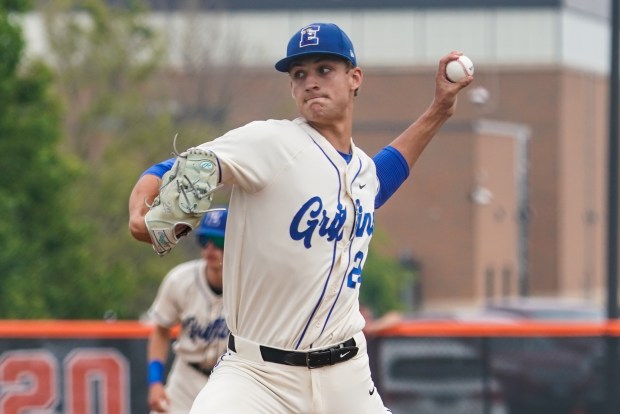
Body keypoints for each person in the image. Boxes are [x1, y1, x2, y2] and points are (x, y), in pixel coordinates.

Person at [129, 22, 472, 414]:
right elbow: (174, 166)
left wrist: (440, 109)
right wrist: (139, 205)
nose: (311, 81)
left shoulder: (360, 170)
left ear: (354, 78)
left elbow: (382, 178)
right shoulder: (270, 143)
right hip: (258, 376)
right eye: (300, 74)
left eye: (324, 69)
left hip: (346, 375)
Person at [146, 208, 229, 414]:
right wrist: (155, 382)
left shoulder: (249, 287)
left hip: (230, 380)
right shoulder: (180, 280)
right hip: (186, 378)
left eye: (218, 242)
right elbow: (161, 330)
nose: (210, 248)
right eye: (205, 240)